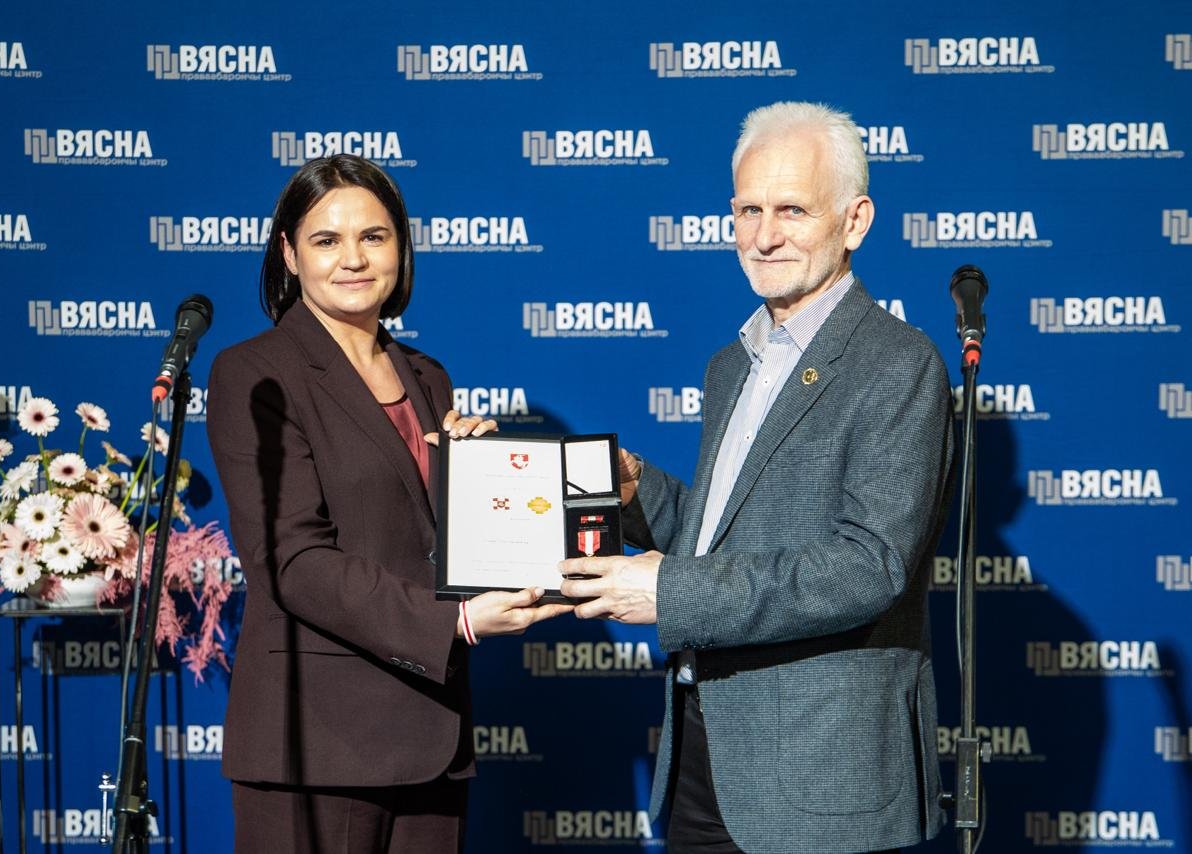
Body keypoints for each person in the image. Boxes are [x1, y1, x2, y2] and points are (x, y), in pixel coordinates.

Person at [560, 102, 955, 853]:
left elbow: (868, 566)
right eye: (749, 210)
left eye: (792, 210)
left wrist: (669, 592)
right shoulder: (730, 364)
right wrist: (639, 494)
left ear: (855, 221)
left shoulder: (899, 363)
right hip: (704, 752)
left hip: (819, 776)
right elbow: (730, 537)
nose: (764, 235)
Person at [207, 154, 569, 853]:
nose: (353, 259)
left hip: (432, 730)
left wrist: (477, 482)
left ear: (401, 248)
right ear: (289, 254)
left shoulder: (429, 378)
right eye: (326, 240)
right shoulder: (255, 372)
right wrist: (455, 621)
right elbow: (292, 560)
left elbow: (422, 538)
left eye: (373, 236)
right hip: (317, 742)